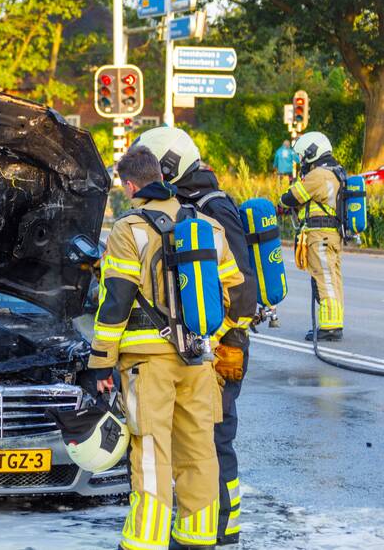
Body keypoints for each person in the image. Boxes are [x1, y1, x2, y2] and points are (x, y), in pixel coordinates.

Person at [89, 145, 246, 550]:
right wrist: (212, 334)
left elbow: (116, 300)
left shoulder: (129, 229)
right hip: (198, 361)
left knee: (152, 452)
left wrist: (100, 362)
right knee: (199, 449)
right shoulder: (208, 227)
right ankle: (197, 536)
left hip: (148, 365)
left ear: (130, 184)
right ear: (160, 174)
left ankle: (145, 541)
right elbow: (235, 293)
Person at [134, 127, 258, 546]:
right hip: (197, 345)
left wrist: (217, 337)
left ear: (167, 166)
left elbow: (241, 291)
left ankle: (223, 529)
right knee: (192, 440)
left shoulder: (212, 208)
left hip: (221, 345)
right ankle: (201, 526)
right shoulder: (186, 205)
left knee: (213, 440)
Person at [280, 131, 344, 342]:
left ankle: (330, 327)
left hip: (321, 235)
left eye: (303, 156)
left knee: (324, 278)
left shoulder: (318, 175)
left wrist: (282, 199)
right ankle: (334, 322)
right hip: (332, 234)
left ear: (311, 152)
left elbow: (292, 197)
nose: (302, 160)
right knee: (333, 279)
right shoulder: (335, 172)